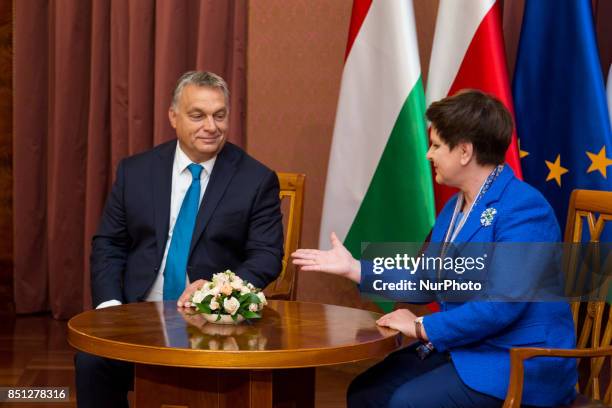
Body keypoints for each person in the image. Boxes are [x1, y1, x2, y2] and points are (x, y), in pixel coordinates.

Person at [292, 90, 577, 407]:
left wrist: (421, 326)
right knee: (365, 391)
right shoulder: (456, 207)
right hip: (468, 347)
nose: (428, 154)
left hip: (518, 361)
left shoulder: (524, 209)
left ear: (465, 152)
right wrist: (355, 269)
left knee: (406, 402)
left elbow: (502, 305)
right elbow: (427, 280)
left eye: (437, 145)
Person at [75, 71, 284, 408]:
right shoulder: (135, 171)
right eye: (197, 115)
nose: (211, 126)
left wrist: (218, 292)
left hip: (215, 326)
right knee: (91, 362)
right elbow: (109, 244)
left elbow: (266, 255)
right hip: (136, 316)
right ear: (173, 116)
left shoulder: (256, 180)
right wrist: (110, 309)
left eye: (220, 115)